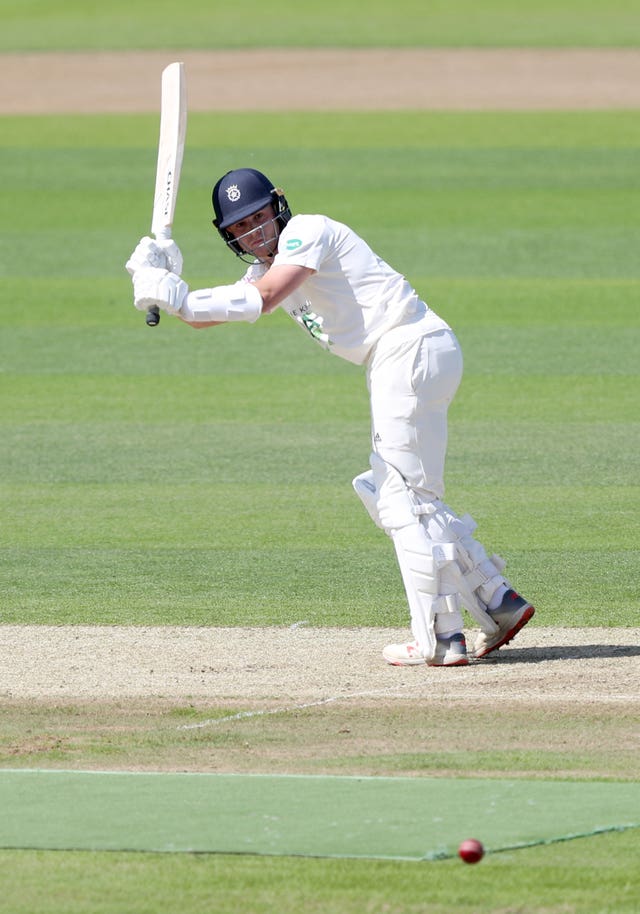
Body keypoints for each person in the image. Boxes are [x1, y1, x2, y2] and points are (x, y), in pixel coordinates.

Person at [126, 167, 535, 667]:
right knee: (394, 491)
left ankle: (439, 639)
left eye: (258, 217)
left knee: (401, 498)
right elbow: (208, 315)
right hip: (404, 355)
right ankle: (496, 600)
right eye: (240, 227)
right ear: (228, 234)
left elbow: (264, 298)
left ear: (277, 206)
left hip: (405, 346)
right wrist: (160, 283)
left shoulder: (307, 232)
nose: (253, 232)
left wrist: (181, 295)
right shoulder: (264, 268)